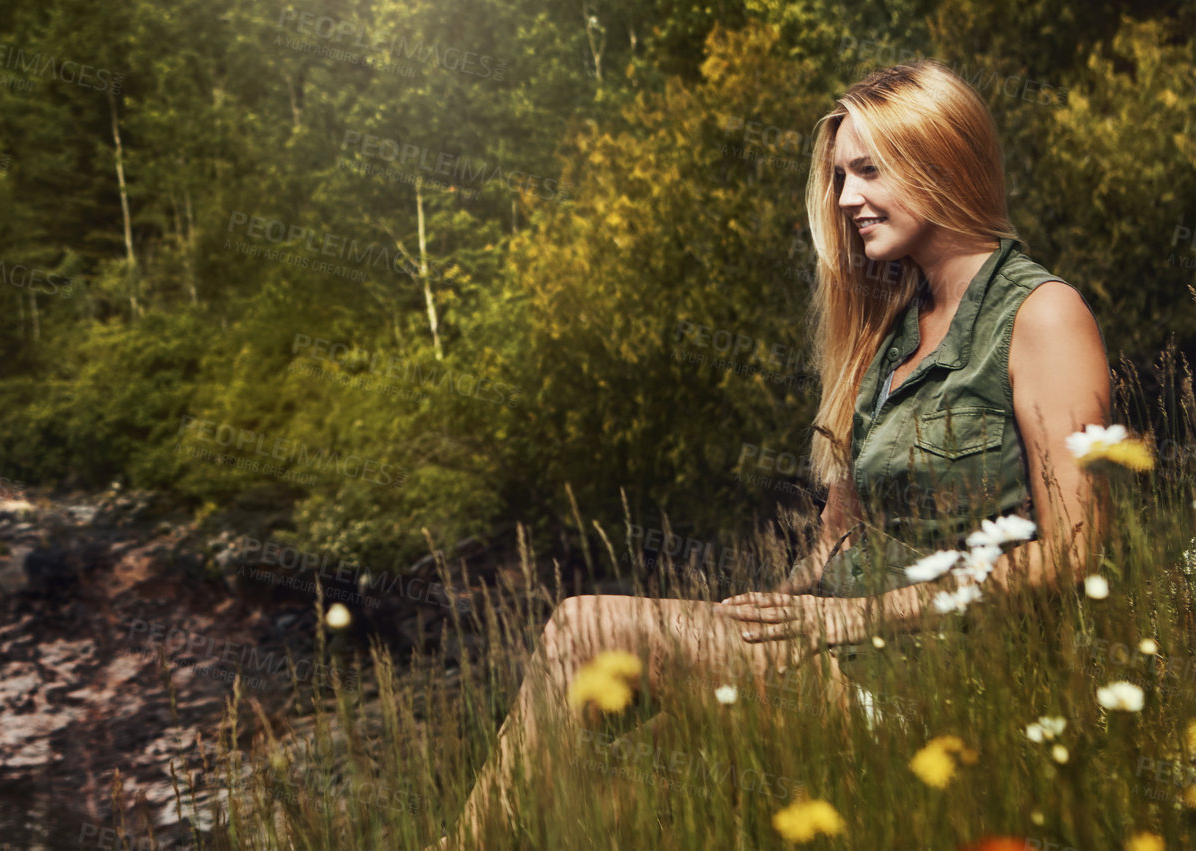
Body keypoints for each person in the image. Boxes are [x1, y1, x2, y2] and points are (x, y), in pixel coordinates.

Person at [435, 61, 1111, 848]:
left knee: (582, 627)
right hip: (842, 655)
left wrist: (855, 618)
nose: (846, 197)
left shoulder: (1042, 315)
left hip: (942, 687)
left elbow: (1071, 552)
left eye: (867, 170)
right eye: (839, 177)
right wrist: (757, 612)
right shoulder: (892, 329)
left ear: (941, 158)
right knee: (629, 774)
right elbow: (837, 536)